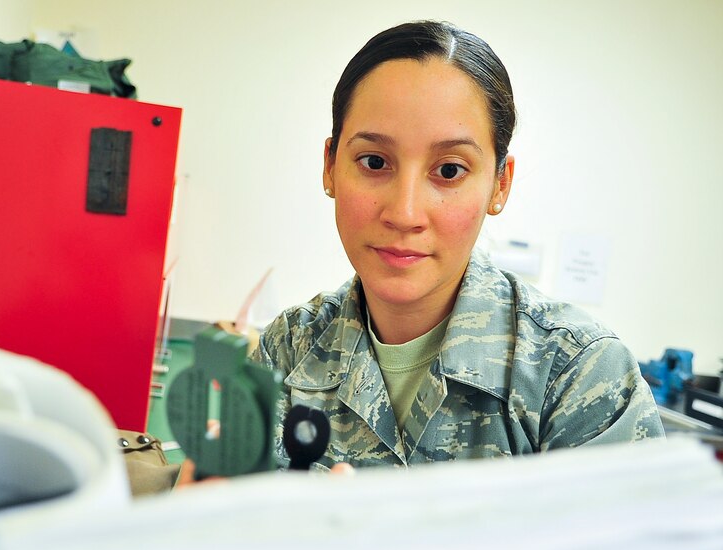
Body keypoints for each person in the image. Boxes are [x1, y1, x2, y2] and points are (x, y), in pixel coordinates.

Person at [249, 19, 664, 470]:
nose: (404, 213)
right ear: (330, 166)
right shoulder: (288, 350)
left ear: (499, 186)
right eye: (374, 162)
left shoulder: (576, 374)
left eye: (449, 171)